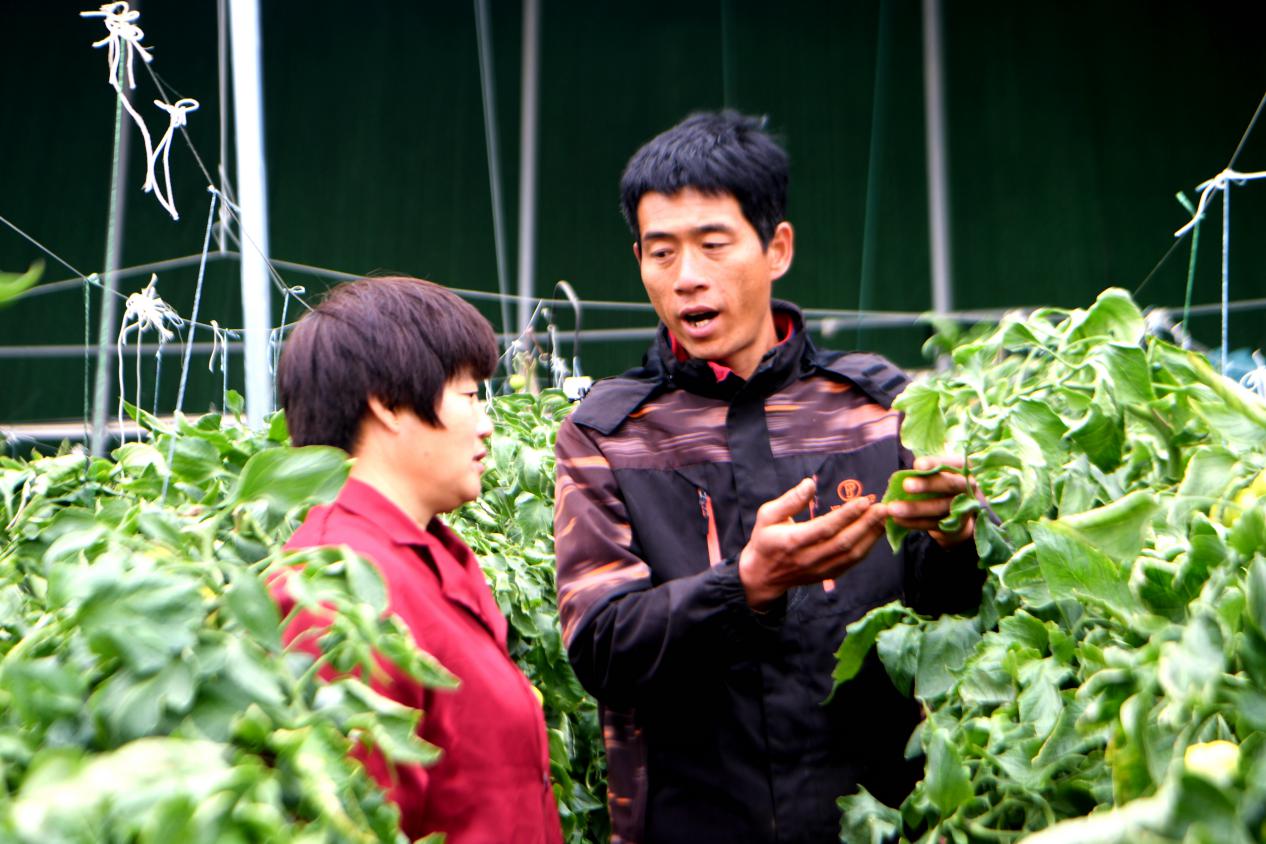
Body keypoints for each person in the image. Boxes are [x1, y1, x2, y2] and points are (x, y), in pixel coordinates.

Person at [552, 112, 985, 843]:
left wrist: (955, 538)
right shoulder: (609, 435)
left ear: (776, 247)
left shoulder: (882, 410)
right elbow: (602, 646)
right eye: (661, 252)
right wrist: (744, 587)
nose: (687, 277)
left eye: (713, 245)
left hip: (877, 822)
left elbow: (952, 622)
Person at [274, 276, 563, 843]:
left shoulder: (428, 556)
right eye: (471, 396)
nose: (487, 424)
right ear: (388, 404)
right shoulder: (337, 587)